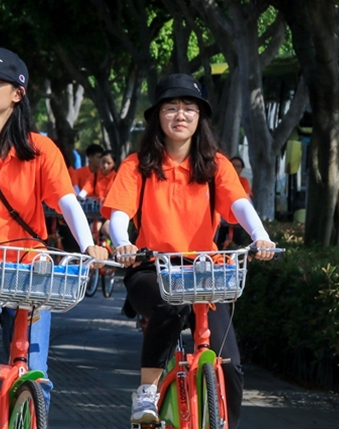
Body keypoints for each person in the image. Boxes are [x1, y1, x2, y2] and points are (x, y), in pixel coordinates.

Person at [0, 47, 110, 429]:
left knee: (36, 374)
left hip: (27, 264)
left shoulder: (41, 150)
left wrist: (86, 244)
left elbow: (67, 203)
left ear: (17, 93)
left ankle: (29, 409)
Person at [102, 73, 276, 427]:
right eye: (171, 107)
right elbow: (117, 216)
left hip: (205, 272)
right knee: (169, 307)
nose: (180, 115)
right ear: (157, 116)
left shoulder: (216, 165)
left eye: (189, 108)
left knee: (231, 367)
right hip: (154, 269)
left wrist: (260, 235)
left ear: (200, 118)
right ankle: (147, 392)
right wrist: (123, 242)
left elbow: (240, 206)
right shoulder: (137, 165)